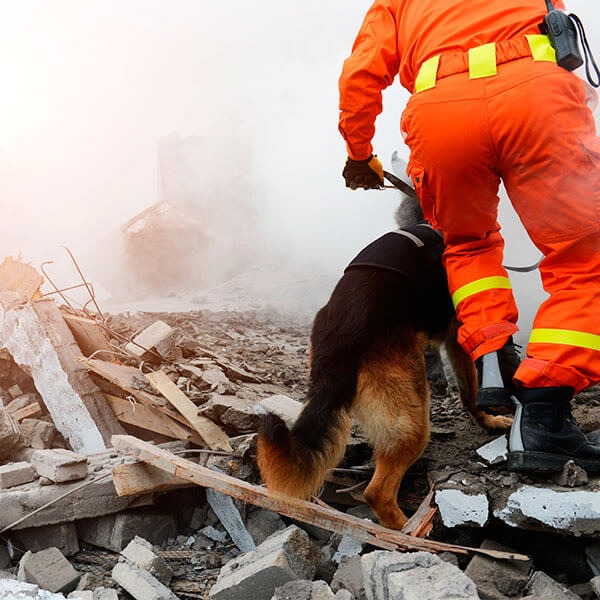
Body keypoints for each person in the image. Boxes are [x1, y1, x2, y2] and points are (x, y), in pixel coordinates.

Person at [338, 0, 600, 472]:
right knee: (585, 261)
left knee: (468, 245)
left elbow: (361, 71)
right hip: (536, 97)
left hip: (441, 111)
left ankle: (493, 360)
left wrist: (359, 151)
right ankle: (544, 414)